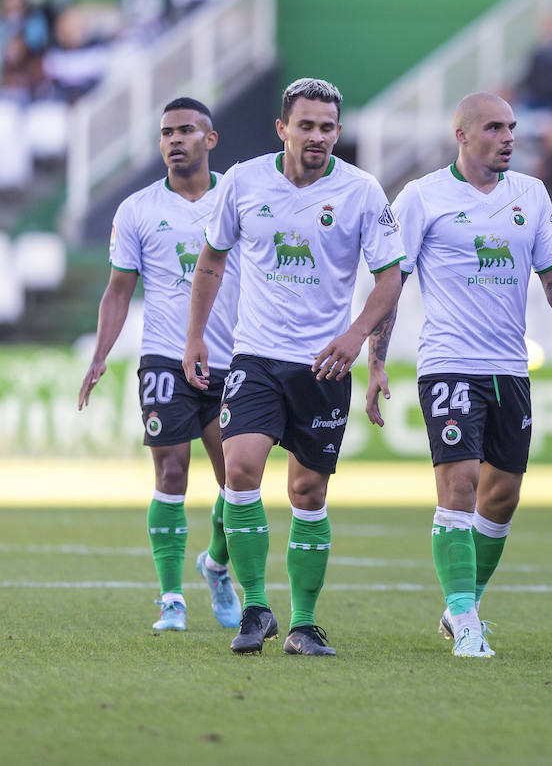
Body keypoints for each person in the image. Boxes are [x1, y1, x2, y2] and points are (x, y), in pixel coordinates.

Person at [183, 78, 405, 657]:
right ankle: (256, 610)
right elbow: (211, 259)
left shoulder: (361, 191)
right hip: (254, 355)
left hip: (323, 367)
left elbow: (390, 277)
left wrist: (357, 337)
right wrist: (196, 338)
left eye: (328, 127)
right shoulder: (242, 181)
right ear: (282, 128)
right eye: (305, 125)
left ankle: (305, 624)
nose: (317, 137)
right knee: (240, 469)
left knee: (308, 492)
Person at [365, 92, 552, 657]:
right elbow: (393, 283)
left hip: (509, 367)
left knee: (502, 496)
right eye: (495, 127)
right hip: (448, 364)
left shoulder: (531, 194)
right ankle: (467, 623)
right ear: (461, 135)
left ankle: (461, 603)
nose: (509, 136)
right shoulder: (422, 197)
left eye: (512, 126)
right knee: (458, 485)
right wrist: (375, 360)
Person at [78, 97, 243, 634]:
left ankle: (217, 566)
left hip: (232, 358)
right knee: (171, 471)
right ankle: (171, 597)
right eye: (167, 132)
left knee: (236, 480)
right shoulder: (137, 210)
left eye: (187, 131)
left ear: (210, 140)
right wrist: (101, 353)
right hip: (164, 359)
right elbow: (118, 290)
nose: (175, 140)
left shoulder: (239, 200)